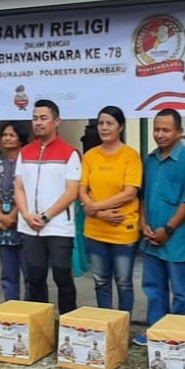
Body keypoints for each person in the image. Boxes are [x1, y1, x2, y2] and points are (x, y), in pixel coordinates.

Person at [134, 108, 185, 346]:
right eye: (156, 129)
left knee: (179, 290)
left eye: (166, 130)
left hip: (176, 238)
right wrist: (143, 223)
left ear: (179, 132)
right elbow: (142, 195)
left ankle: (176, 335)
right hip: (151, 236)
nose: (160, 134)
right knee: (153, 287)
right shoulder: (150, 159)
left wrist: (168, 229)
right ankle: (155, 331)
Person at [15, 99, 81, 314]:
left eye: (43, 118)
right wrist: (26, 215)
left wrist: (45, 217)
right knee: (34, 278)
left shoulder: (69, 153)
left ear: (56, 121)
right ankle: (39, 329)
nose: (38, 123)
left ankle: (67, 326)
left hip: (58, 227)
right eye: (34, 118)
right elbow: (19, 187)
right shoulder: (24, 152)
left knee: (62, 277)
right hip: (29, 226)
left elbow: (71, 192)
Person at [79, 106, 142, 314]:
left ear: (120, 127)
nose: (104, 128)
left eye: (110, 123)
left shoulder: (130, 156)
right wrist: (99, 214)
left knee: (123, 282)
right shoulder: (90, 156)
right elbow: (82, 189)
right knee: (100, 281)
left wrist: (94, 207)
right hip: (96, 230)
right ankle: (106, 326)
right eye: (101, 123)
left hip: (122, 230)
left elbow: (129, 193)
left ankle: (122, 327)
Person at [0, 121, 31, 301]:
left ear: (21, 139)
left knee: (30, 274)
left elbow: (28, 193)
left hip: (25, 225)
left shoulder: (28, 163)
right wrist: (1, 216)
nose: (7, 138)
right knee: (8, 273)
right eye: (4, 135)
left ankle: (31, 311)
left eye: (11, 135)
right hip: (3, 227)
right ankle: (11, 310)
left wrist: (12, 216)